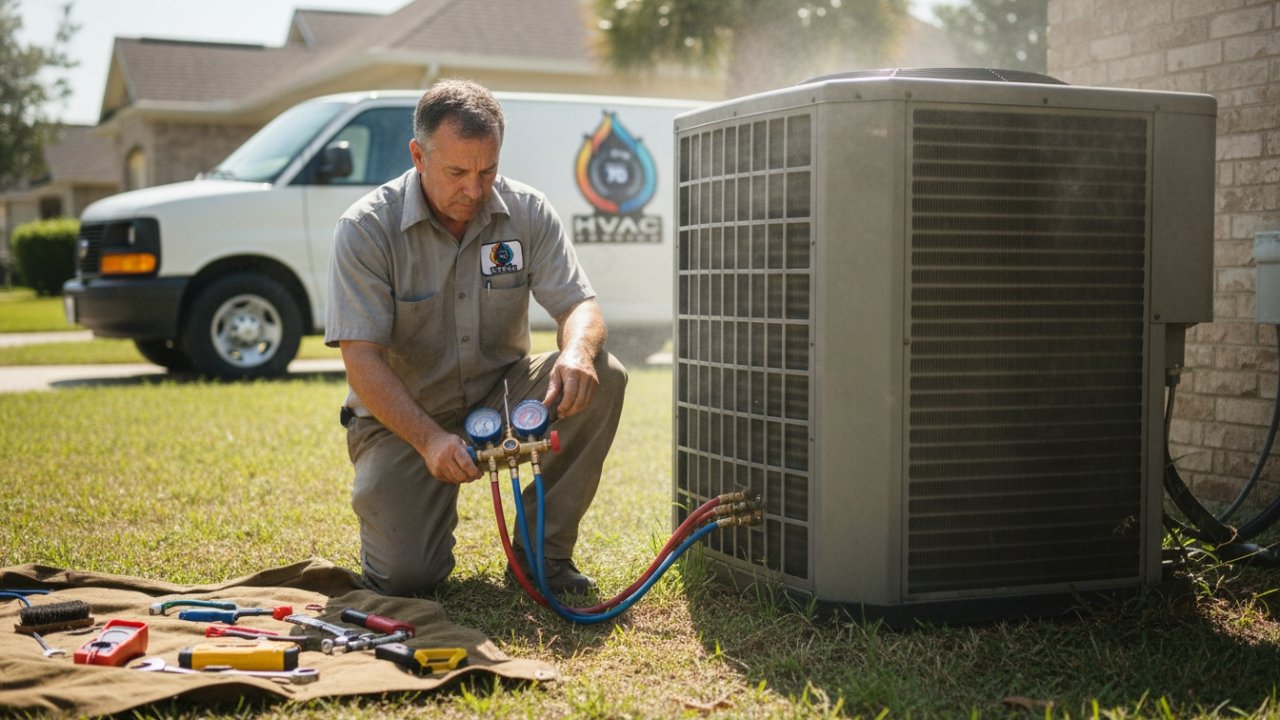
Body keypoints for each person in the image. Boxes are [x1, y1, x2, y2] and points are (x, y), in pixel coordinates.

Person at [325, 78, 627, 598]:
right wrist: (429, 440)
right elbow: (363, 360)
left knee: (605, 371)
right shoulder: (365, 229)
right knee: (406, 578)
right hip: (404, 420)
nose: (474, 189)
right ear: (418, 156)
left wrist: (577, 351)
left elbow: (579, 304)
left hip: (501, 397)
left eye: (488, 171)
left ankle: (542, 557)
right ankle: (414, 530)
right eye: (457, 173)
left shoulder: (528, 211)